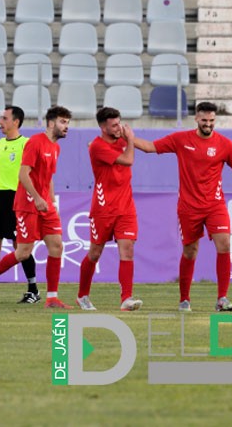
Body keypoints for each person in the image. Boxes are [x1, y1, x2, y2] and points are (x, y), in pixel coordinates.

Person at [133, 102, 232, 312]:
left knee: (225, 244)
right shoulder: (180, 139)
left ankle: (222, 298)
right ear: (196, 118)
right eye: (204, 120)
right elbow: (150, 147)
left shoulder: (225, 144)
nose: (208, 124)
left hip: (215, 205)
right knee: (190, 251)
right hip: (188, 207)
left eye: (212, 121)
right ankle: (184, 299)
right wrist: (128, 138)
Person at [0, 106, 73, 309]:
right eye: (63, 122)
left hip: (44, 204)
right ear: (52, 123)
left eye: (68, 123)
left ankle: (52, 297)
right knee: (23, 252)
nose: (66, 127)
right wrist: (37, 198)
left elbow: (48, 178)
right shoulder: (35, 142)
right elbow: (23, 174)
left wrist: (51, 202)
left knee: (56, 247)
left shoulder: (55, 147)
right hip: (27, 204)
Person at [76, 107, 143, 311]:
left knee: (128, 250)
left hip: (126, 208)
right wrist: (130, 140)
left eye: (119, 123)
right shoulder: (97, 147)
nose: (119, 127)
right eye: (114, 125)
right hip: (103, 209)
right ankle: (82, 296)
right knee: (95, 253)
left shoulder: (122, 139)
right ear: (103, 127)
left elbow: (145, 147)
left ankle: (126, 299)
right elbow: (129, 160)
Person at [0, 106, 40, 304]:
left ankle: (33, 290)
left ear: (16, 122)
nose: (0, 121)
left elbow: (32, 172)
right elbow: (2, 170)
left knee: (20, 247)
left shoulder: (26, 144)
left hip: (17, 199)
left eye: (4, 118)